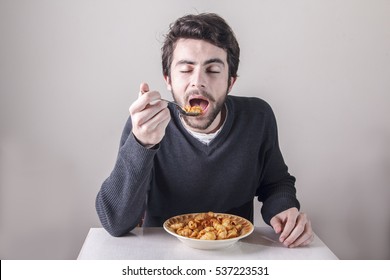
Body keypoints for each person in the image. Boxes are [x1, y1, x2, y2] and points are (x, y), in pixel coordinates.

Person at [96, 13, 314, 248]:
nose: (198, 81)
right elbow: (115, 222)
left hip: (235, 255)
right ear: (168, 79)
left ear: (230, 81)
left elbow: (275, 183)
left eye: (213, 70)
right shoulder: (147, 124)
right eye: (186, 69)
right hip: (161, 256)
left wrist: (284, 208)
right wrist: (142, 144)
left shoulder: (257, 118)